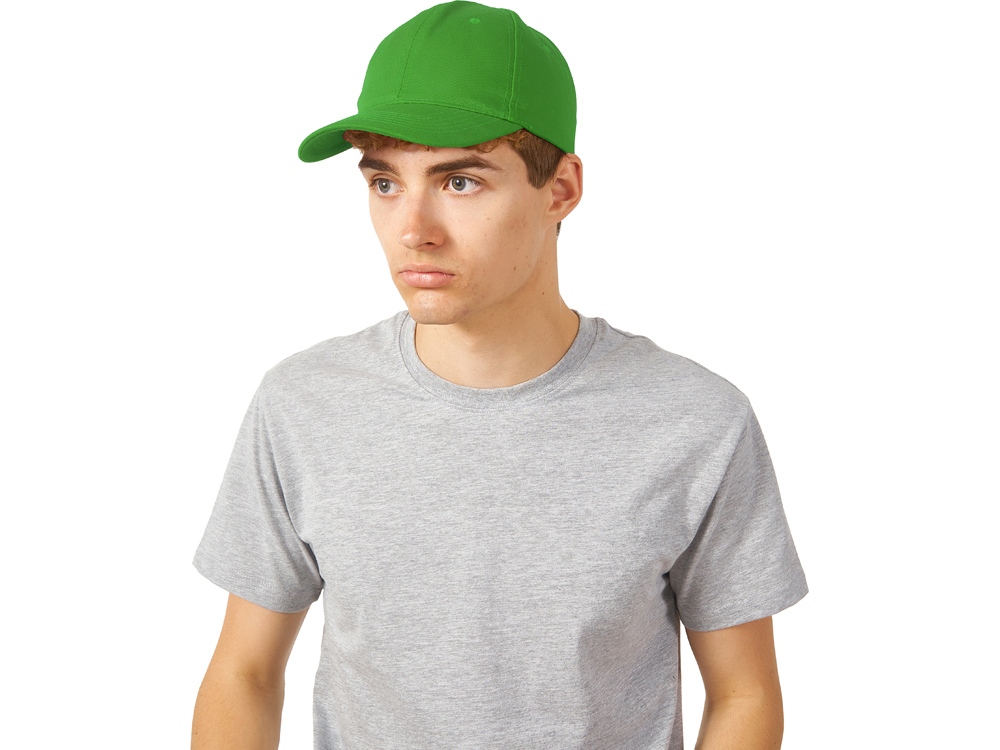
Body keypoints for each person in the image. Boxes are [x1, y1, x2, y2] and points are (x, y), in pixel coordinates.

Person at [191, 2, 808, 749]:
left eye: (459, 182)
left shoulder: (694, 421)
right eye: (385, 183)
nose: (413, 228)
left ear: (561, 189)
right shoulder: (303, 405)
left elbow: (743, 692)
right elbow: (245, 675)